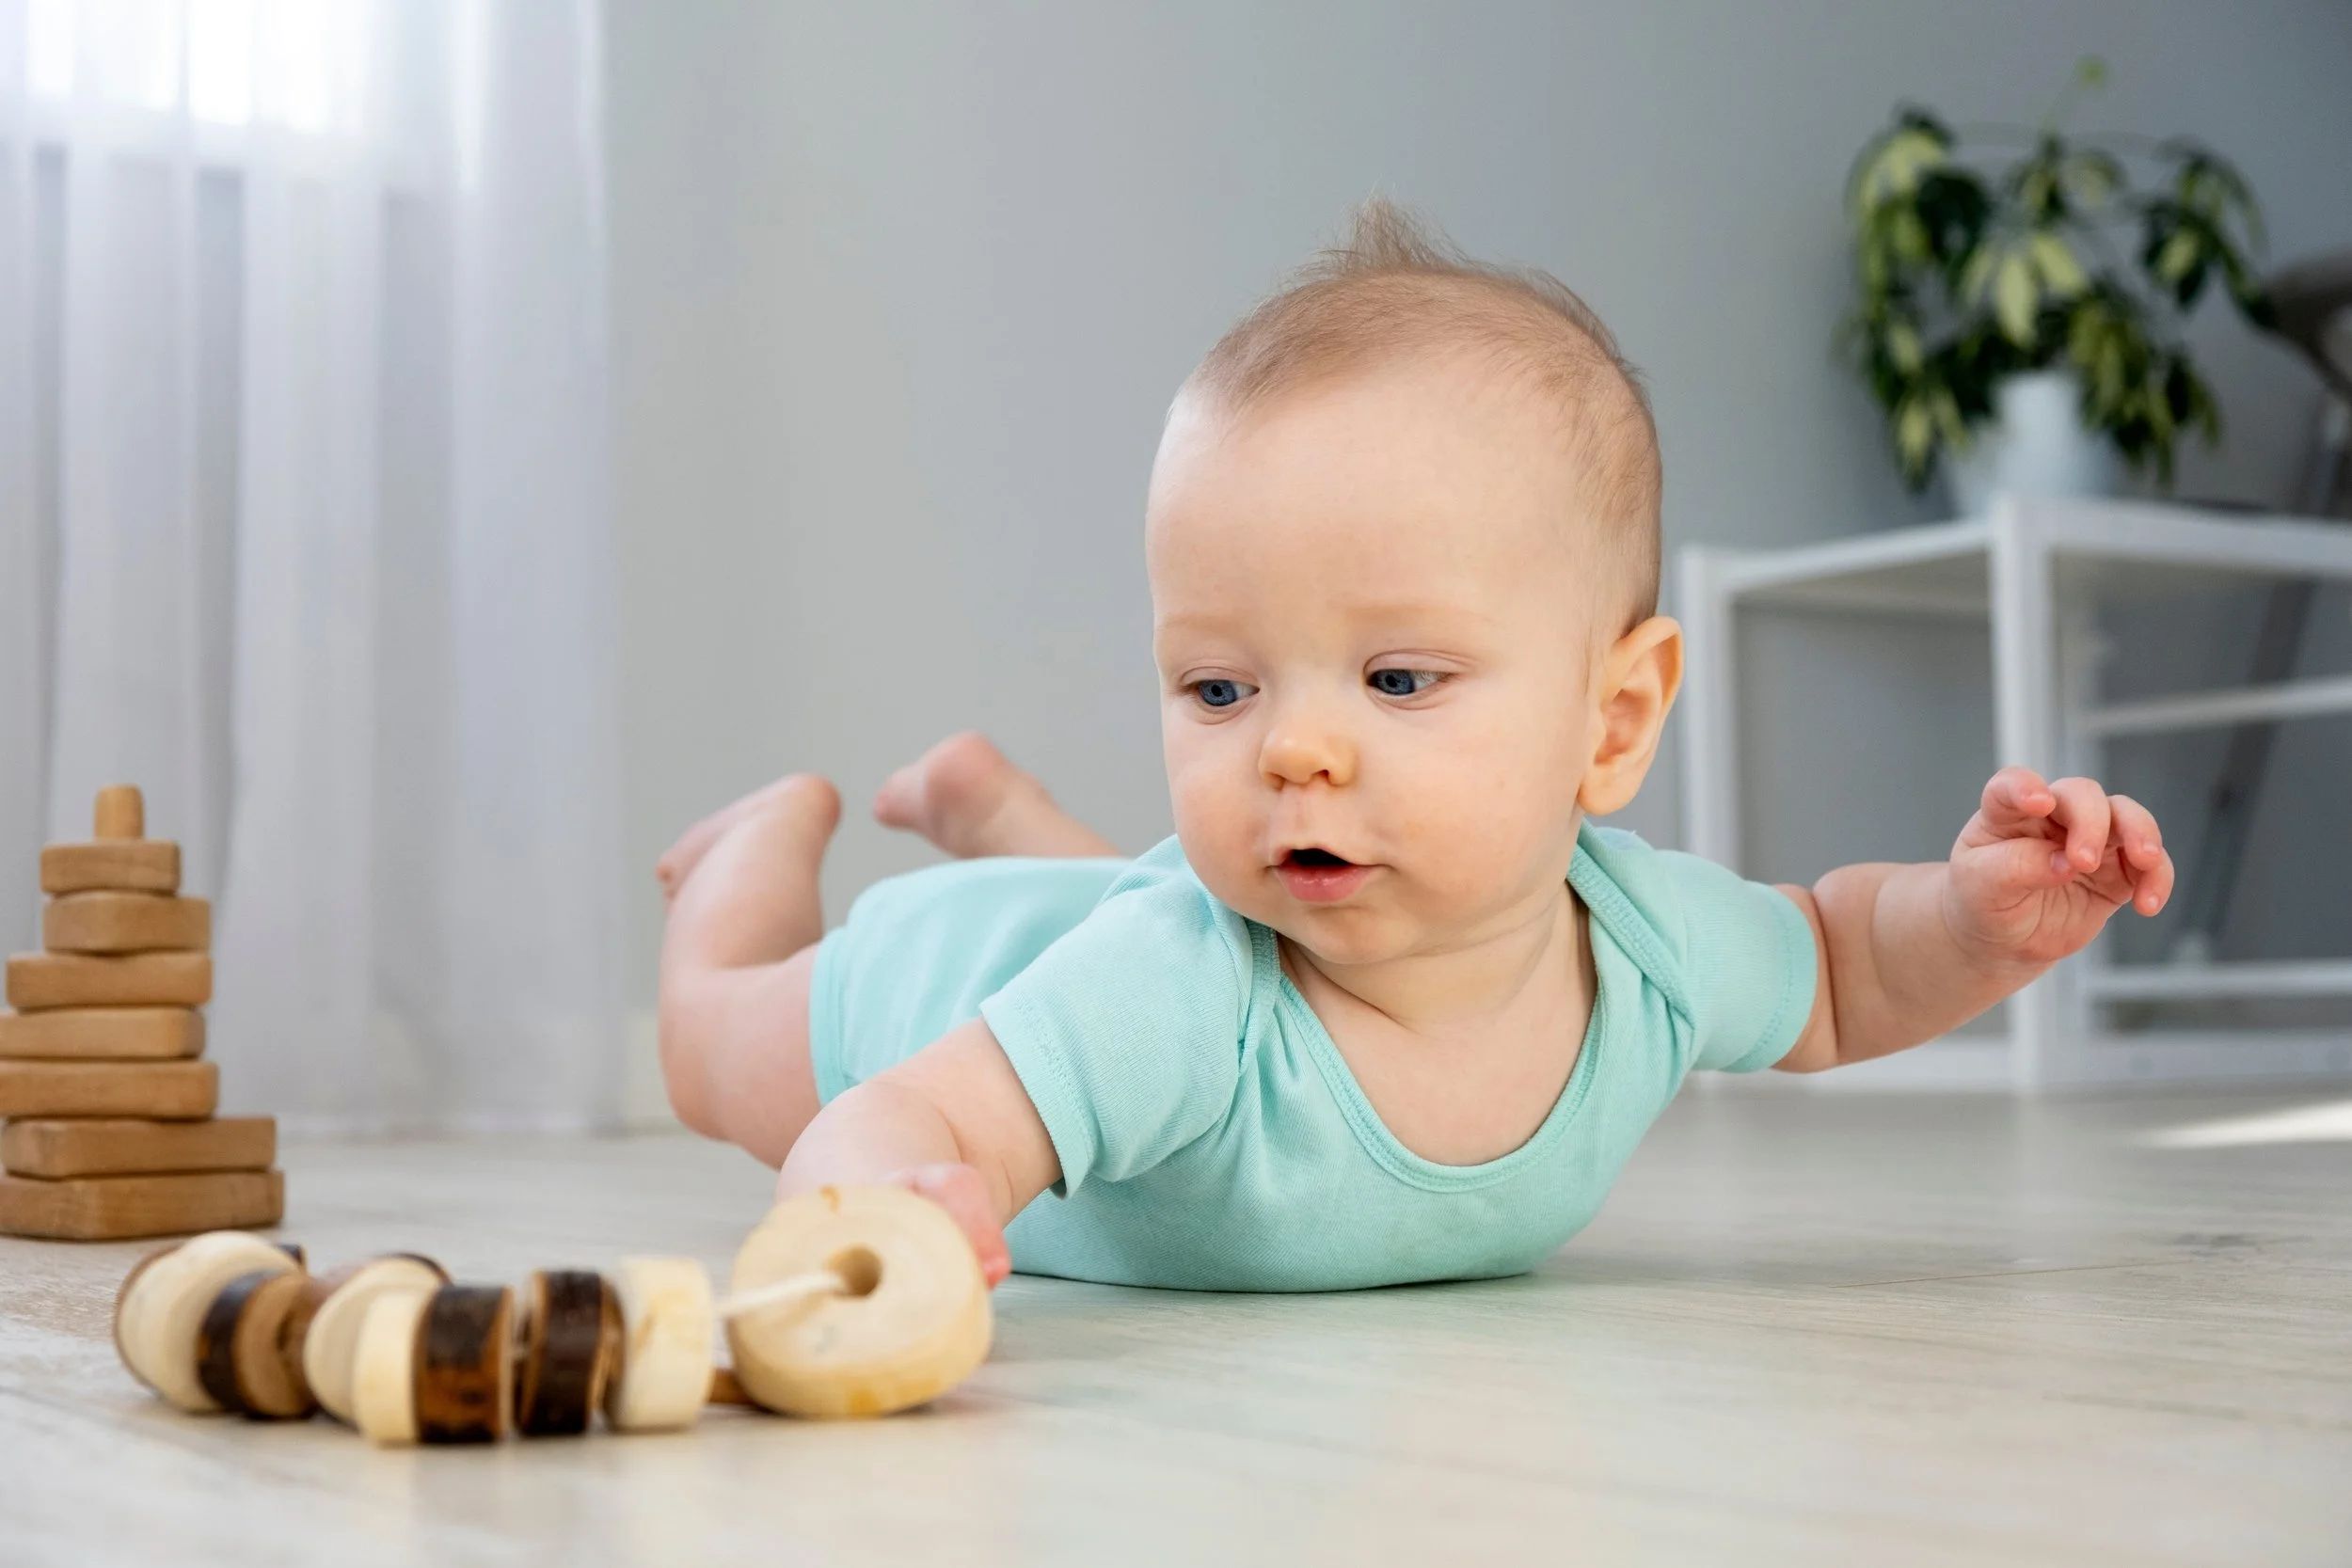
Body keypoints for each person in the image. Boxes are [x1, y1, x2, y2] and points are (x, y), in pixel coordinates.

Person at [653, 202, 2173, 1291]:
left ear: (1615, 719)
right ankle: (759, 851)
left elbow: (1841, 968)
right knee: (710, 1045)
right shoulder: (1173, 989)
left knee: (1145, 901)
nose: (1295, 749)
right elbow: (917, 1112)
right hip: (939, 984)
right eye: (1219, 690)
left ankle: (1004, 808)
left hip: (1119, 942)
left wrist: (1976, 923)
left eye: (1394, 675)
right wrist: (901, 1198)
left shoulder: (1640, 944)